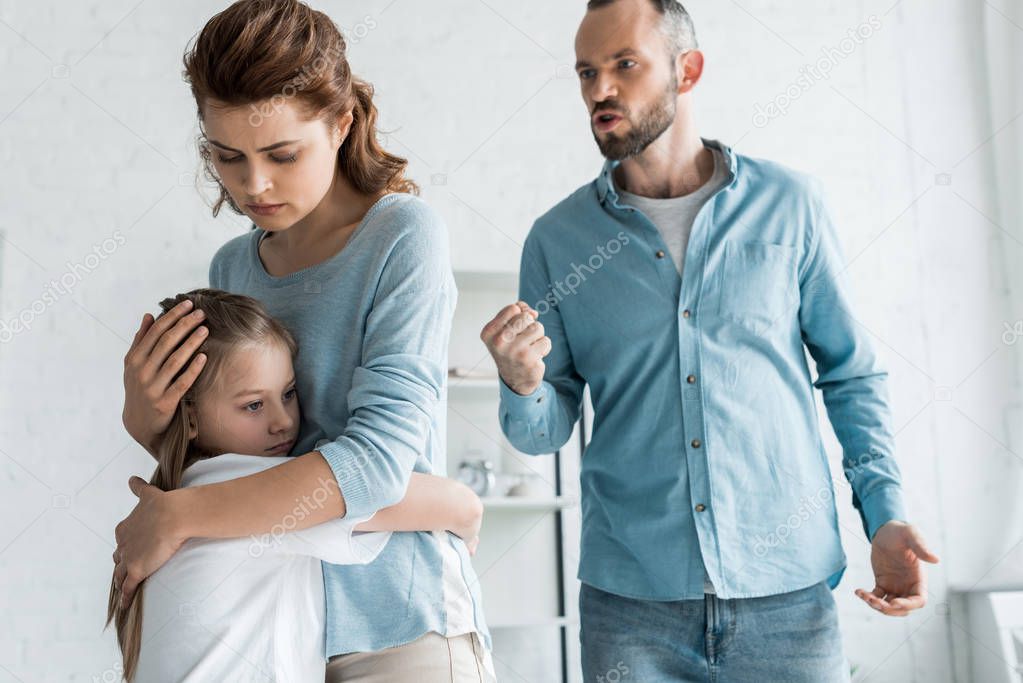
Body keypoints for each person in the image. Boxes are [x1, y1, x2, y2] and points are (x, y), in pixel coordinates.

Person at [479, 1, 939, 681]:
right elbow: (545, 429)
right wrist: (521, 384)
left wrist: (883, 514)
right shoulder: (557, 241)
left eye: (623, 65)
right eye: (584, 72)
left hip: (786, 600)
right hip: (629, 612)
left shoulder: (791, 206)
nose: (598, 90)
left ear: (686, 70)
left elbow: (849, 374)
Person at [111, 1, 494, 679]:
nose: (252, 184)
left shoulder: (401, 236)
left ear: (340, 124)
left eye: (281, 154)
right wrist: (154, 426)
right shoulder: (232, 267)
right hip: (279, 625)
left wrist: (181, 514)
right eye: (226, 157)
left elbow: (373, 467)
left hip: (397, 623)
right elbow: (234, 454)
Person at [106, 289, 483, 682]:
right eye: (253, 405)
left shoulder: (186, 490)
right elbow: (444, 503)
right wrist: (470, 520)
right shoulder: (253, 493)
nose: (282, 422)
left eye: (288, 394)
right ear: (192, 417)